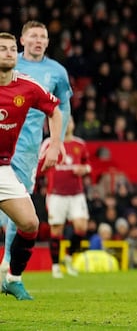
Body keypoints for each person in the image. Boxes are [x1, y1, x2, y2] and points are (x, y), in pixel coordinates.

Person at [1, 21, 72, 282]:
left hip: (28, 146)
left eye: (43, 36)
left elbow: (61, 108)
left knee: (24, 209)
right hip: (5, 141)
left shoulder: (57, 72)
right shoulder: (8, 61)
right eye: (33, 36)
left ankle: (7, 262)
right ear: (23, 40)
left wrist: (57, 142)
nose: (38, 40)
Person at [41, 116, 91, 278]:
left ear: (74, 124)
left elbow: (88, 165)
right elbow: (39, 163)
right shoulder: (50, 143)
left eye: (70, 120)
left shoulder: (80, 144)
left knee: (81, 227)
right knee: (57, 229)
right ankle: (55, 266)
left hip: (76, 193)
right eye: (65, 121)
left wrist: (84, 169)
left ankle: (68, 257)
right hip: (56, 194)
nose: (68, 123)